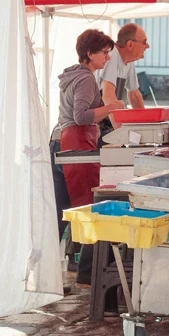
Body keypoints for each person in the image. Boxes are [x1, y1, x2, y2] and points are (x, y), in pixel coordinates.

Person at [57, 30, 125, 284]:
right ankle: (87, 272)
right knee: (89, 207)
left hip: (71, 141)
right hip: (77, 142)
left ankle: (83, 268)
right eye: (104, 53)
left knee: (78, 206)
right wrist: (111, 107)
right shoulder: (85, 78)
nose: (107, 58)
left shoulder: (74, 75)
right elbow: (81, 116)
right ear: (89, 54)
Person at [99, 23, 149, 128]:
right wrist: (120, 133)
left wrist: (147, 125)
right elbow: (108, 94)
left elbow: (134, 95)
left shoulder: (129, 61)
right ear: (130, 44)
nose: (147, 46)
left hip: (105, 123)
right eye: (144, 42)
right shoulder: (112, 55)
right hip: (95, 125)